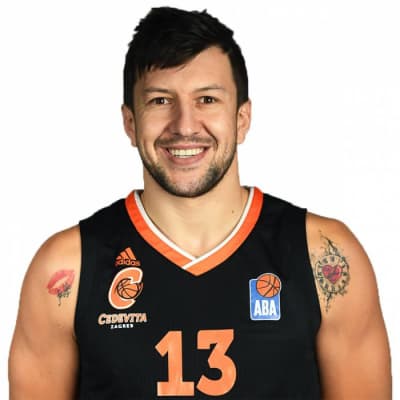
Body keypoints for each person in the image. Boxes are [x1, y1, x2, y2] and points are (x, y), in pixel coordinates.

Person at [8, 6, 391, 400]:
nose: (185, 126)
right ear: (130, 123)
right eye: (160, 101)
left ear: (242, 119)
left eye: (207, 99)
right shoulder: (66, 269)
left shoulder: (324, 256)